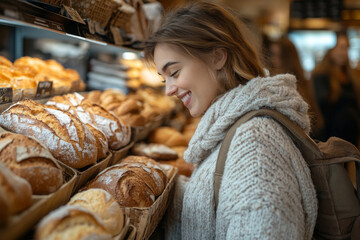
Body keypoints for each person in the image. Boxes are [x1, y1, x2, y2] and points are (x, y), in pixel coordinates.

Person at [144, 2, 317, 239]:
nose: (169, 90)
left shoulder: (256, 144)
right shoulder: (234, 128)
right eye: (165, 80)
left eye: (174, 73)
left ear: (217, 57)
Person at [263, 36, 324, 137]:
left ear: (288, 58)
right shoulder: (269, 81)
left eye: (278, 56)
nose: (273, 60)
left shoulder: (299, 84)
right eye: (272, 55)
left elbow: (315, 121)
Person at [311, 31, 360, 147]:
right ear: (331, 49)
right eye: (341, 48)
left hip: (352, 135)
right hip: (331, 136)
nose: (344, 53)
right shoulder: (321, 74)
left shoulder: (351, 74)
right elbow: (323, 104)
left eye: (346, 48)